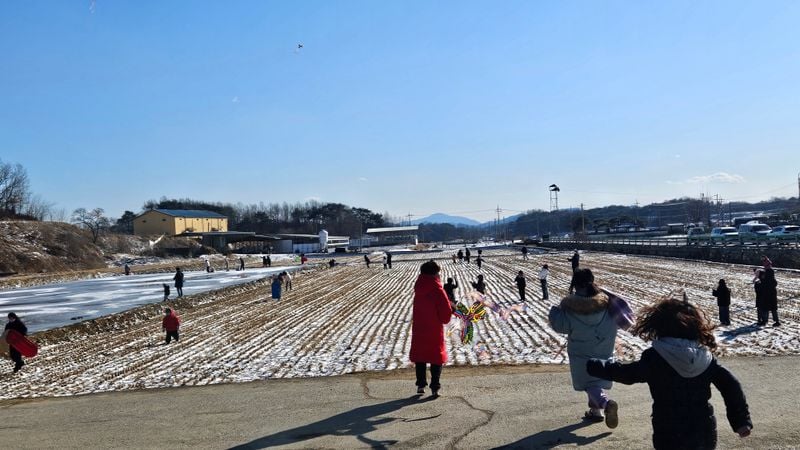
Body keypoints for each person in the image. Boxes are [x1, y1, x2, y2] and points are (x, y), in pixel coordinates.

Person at [587, 296, 752, 448]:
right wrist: (741, 421)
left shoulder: (655, 357)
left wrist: (593, 365)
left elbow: (627, 374)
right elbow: (731, 386)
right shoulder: (705, 358)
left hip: (668, 431)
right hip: (703, 430)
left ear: (659, 325)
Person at [548, 268, 620, 428]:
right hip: (604, 349)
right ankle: (595, 412)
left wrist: (554, 312)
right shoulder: (607, 303)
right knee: (596, 381)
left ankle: (606, 404)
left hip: (581, 353)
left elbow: (561, 325)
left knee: (590, 384)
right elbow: (618, 321)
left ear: (575, 284)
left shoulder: (571, 306)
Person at [409, 260, 452, 397]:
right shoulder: (438, 290)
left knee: (420, 356)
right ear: (435, 274)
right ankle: (435, 386)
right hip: (434, 329)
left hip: (419, 328)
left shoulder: (419, 289)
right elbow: (445, 316)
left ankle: (421, 385)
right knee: (436, 358)